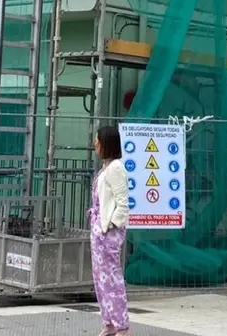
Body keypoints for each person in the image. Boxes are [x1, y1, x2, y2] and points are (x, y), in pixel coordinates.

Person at [91, 125, 131, 336]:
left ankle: (122, 326)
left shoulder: (116, 168)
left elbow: (123, 203)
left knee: (112, 278)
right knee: (100, 278)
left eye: (97, 140)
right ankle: (109, 322)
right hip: (99, 229)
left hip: (107, 231)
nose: (95, 144)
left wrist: (110, 226)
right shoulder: (106, 167)